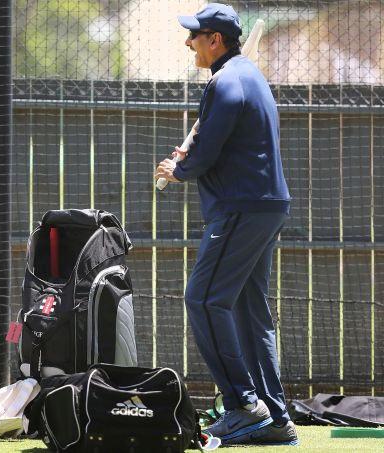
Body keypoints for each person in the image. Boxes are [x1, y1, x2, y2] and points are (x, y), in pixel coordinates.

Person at [155, 3, 297, 447]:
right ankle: (275, 419)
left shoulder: (227, 81)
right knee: (250, 312)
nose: (188, 42)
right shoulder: (247, 73)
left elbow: (216, 130)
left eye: (194, 35)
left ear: (215, 40)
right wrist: (190, 159)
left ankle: (242, 406)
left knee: (203, 299)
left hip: (240, 208)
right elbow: (226, 129)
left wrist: (180, 168)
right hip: (264, 206)